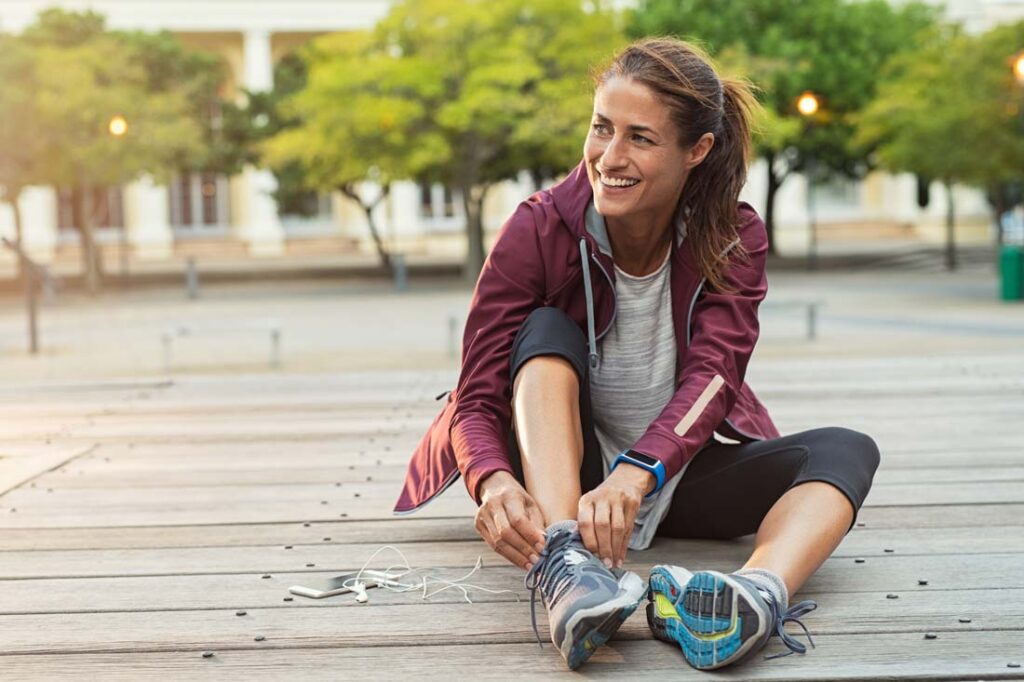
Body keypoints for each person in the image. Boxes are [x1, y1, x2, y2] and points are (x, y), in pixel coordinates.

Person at [394, 37, 880, 672]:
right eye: (601, 129)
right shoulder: (537, 228)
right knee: (543, 331)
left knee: (846, 450)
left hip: (667, 474)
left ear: (696, 151)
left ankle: (755, 596)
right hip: (565, 482)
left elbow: (715, 377)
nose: (609, 157)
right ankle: (567, 569)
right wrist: (493, 479)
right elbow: (477, 395)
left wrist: (638, 472)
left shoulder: (733, 235)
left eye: (640, 138)